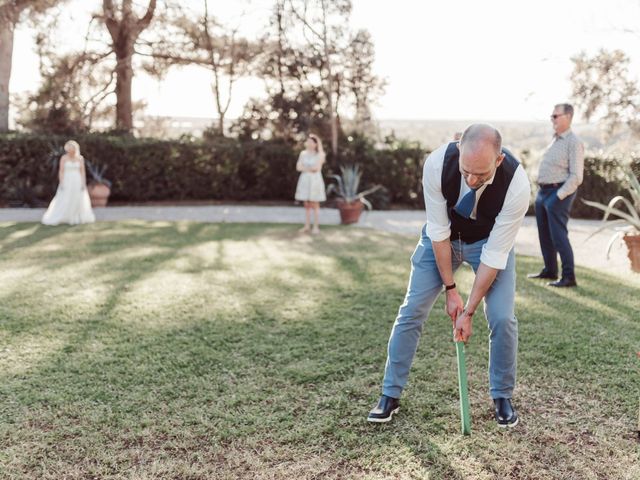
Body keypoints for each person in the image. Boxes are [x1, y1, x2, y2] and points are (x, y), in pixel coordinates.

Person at [367, 124, 530, 428]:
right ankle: (389, 394)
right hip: (444, 240)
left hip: (487, 243)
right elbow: (438, 234)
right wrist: (450, 289)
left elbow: (495, 255)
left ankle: (502, 396)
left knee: (502, 317)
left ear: (498, 161)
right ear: (458, 148)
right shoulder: (437, 164)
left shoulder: (517, 184)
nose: (471, 180)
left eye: (480, 175)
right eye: (466, 170)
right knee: (412, 309)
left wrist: (468, 310)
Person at [527, 103, 584, 287]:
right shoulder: (555, 139)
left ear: (567, 116)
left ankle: (569, 277)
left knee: (559, 236)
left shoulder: (573, 142)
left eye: (555, 116)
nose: (552, 119)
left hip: (557, 193)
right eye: (552, 116)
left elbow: (576, 176)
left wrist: (557, 196)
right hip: (544, 192)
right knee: (544, 234)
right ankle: (550, 271)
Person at [42, 140, 96, 226]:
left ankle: (76, 216)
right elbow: (61, 171)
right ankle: (64, 216)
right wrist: (62, 182)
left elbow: (82, 172)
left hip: (77, 180)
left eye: (71, 148)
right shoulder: (64, 158)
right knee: (65, 198)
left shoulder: (80, 158)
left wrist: (83, 183)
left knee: (77, 198)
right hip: (67, 180)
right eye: (68, 148)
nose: (70, 150)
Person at [295, 134, 326, 234]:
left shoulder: (320, 154)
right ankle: (307, 226)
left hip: (315, 181)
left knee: (315, 204)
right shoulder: (303, 153)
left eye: (311, 142)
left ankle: (316, 226)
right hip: (305, 180)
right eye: (308, 141)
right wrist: (309, 169)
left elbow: (316, 168)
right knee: (307, 204)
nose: (309, 143)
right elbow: (298, 167)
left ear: (316, 144)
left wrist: (305, 168)